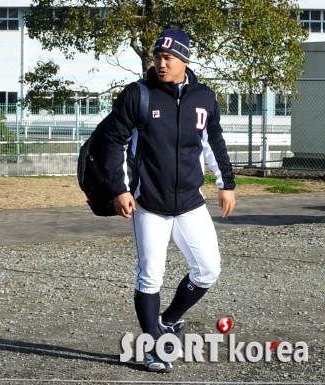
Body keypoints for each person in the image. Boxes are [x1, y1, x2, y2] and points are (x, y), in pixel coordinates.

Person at [99, 28, 236, 372]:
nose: (161, 63)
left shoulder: (204, 97)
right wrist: (120, 189)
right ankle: (152, 347)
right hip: (149, 203)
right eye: (158, 56)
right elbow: (112, 143)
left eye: (169, 58)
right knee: (150, 277)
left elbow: (213, 142)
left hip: (191, 202)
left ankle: (169, 319)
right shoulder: (138, 95)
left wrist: (226, 184)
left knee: (208, 269)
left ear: (184, 61)